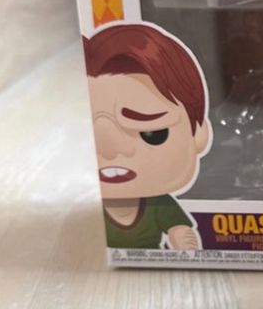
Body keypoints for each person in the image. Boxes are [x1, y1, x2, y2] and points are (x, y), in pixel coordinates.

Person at [84, 22, 212, 250]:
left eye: (152, 134)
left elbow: (179, 230)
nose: (110, 149)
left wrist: (185, 242)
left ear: (198, 134)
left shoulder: (158, 204)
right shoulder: (89, 205)